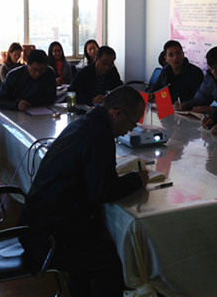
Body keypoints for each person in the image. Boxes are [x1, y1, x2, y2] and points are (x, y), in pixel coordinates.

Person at [19, 85, 149, 297]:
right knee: (116, 259)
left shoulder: (85, 122)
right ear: (117, 114)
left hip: (36, 224)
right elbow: (103, 191)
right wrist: (137, 179)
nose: (130, 130)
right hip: (48, 239)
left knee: (101, 238)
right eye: (133, 122)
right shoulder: (100, 135)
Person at [147, 40, 204, 105]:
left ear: (183, 54)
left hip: (186, 109)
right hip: (166, 106)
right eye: (171, 55)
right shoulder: (166, 71)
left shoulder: (195, 73)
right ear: (166, 58)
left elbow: (198, 100)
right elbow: (154, 88)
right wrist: (150, 95)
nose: (175, 57)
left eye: (178, 53)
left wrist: (162, 98)